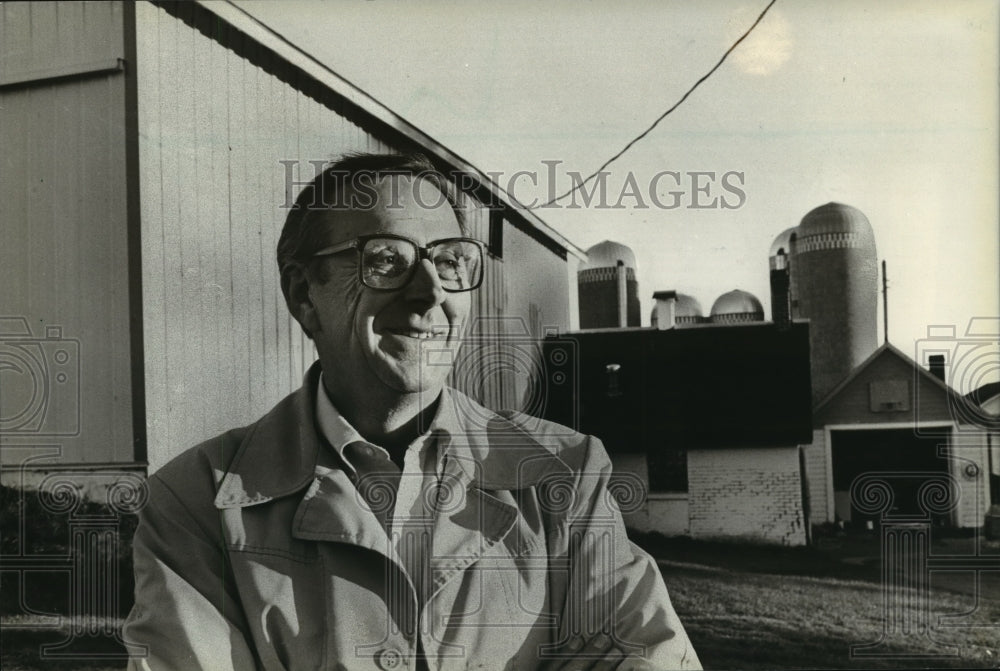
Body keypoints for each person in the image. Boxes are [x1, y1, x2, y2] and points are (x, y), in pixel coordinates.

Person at [123, 153, 700, 670]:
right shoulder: (196, 505)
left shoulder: (564, 475)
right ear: (304, 295)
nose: (429, 291)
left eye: (451, 260)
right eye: (386, 259)